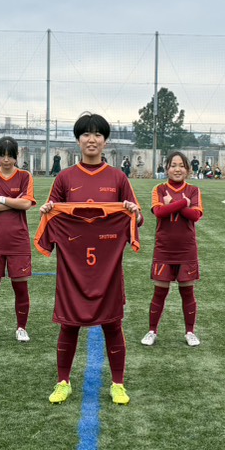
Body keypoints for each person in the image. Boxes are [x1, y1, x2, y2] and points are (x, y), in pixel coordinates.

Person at [35, 113, 141, 406]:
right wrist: (48, 212)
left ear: (105, 141)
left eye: (97, 134)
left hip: (108, 270)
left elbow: (137, 219)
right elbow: (51, 212)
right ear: (78, 140)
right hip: (73, 269)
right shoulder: (64, 178)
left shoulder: (118, 178)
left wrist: (133, 212)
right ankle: (63, 382)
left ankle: (118, 384)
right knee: (68, 325)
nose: (91, 140)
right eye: (86, 134)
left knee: (112, 324)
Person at [142, 150, 203, 348]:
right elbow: (159, 212)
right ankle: (152, 331)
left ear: (188, 169)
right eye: (173, 165)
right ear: (166, 168)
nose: (177, 169)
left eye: (181, 166)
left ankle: (190, 332)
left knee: (187, 292)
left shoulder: (193, 190)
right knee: (160, 292)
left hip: (187, 250)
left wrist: (175, 203)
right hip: (164, 250)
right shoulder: (159, 189)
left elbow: (195, 216)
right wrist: (183, 203)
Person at [0, 136, 35, 343]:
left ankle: (21, 328)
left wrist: (0, 199)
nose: (6, 160)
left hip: (18, 241)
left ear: (16, 156)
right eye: (2, 155)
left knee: (20, 287)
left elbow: (26, 204)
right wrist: (13, 202)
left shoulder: (25, 176)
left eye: (10, 156)